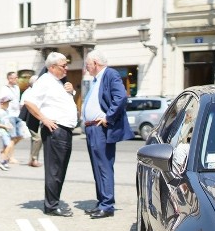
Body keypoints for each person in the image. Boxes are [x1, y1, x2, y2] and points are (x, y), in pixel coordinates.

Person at [21, 52, 79, 217]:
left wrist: (71, 91)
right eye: (63, 65)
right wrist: (44, 119)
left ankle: (54, 202)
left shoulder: (58, 82)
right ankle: (52, 206)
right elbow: (29, 102)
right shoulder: (45, 80)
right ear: (52, 67)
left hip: (64, 129)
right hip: (55, 130)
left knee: (60, 169)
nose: (66, 68)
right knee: (54, 170)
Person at [81, 49, 133, 219]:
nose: (86, 68)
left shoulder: (109, 74)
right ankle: (101, 202)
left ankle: (107, 205)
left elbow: (121, 97)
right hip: (92, 128)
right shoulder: (97, 79)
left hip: (100, 128)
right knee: (97, 167)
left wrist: (108, 117)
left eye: (88, 64)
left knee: (104, 167)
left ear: (95, 63)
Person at [20, 75, 43, 167]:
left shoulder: (35, 92)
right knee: (37, 139)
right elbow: (23, 105)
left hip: (35, 118)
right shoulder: (29, 92)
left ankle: (33, 159)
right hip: (30, 118)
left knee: (34, 140)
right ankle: (34, 159)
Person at [0, 95, 15, 171]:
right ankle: (3, 161)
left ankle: (4, 163)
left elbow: (7, 121)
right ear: (1, 104)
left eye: (8, 103)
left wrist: (9, 125)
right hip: (2, 131)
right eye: (6, 103)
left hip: (6, 131)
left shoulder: (7, 111)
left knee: (5, 147)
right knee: (9, 145)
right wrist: (5, 126)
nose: (7, 105)